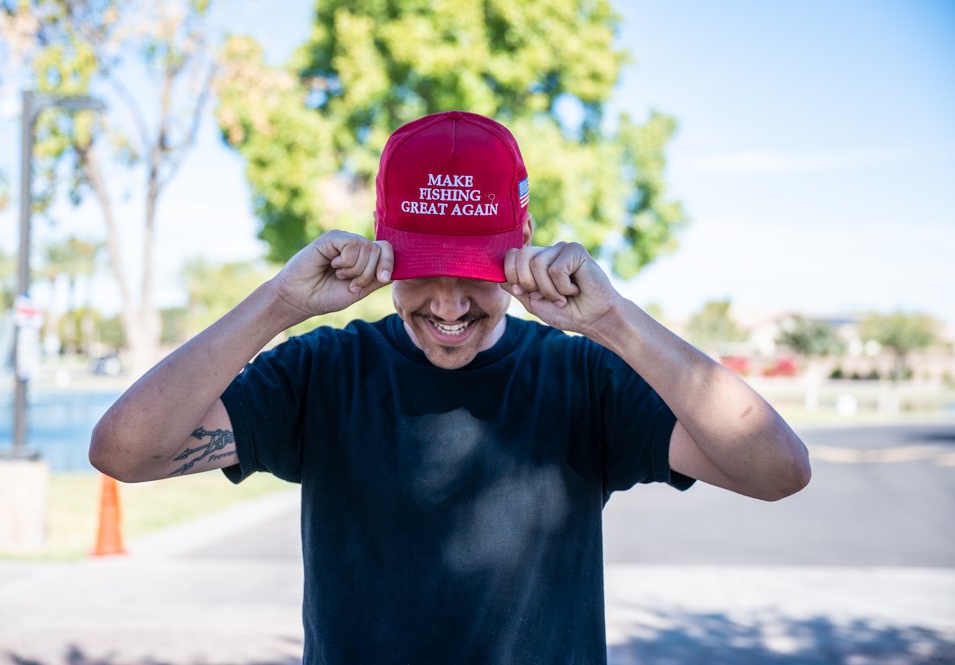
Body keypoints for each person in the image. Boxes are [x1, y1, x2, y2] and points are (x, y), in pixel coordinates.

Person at [90, 110, 811, 664]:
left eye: (475, 270)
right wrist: (280, 303)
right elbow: (124, 451)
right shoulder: (320, 373)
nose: (447, 300)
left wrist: (616, 321)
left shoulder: (582, 378)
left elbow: (777, 468)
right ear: (382, 251)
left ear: (521, 253)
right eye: (423, 265)